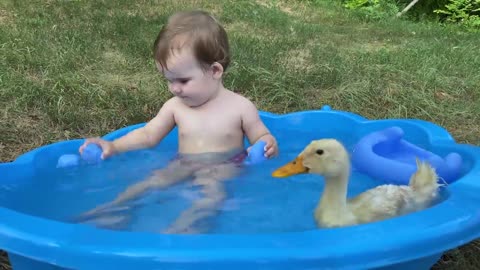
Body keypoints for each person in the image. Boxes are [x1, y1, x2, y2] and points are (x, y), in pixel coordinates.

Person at [79, 10, 278, 233]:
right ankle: (112, 211)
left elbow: (260, 135)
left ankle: (181, 232)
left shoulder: (240, 107)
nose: (174, 88)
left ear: (215, 70)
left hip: (224, 167)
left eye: (183, 80)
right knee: (150, 183)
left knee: (211, 196)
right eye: (169, 80)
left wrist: (267, 143)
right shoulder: (175, 107)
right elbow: (148, 135)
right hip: (182, 162)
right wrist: (114, 146)